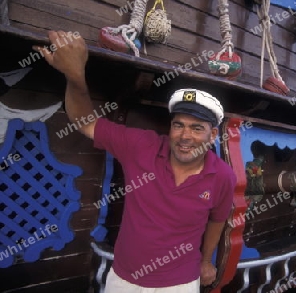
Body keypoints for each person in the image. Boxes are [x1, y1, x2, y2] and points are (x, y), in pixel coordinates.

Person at [34, 31, 237, 293]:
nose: (185, 136)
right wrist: (75, 76)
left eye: (197, 128)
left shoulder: (222, 176)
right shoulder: (142, 147)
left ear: (213, 135)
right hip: (124, 279)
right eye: (179, 125)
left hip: (181, 283)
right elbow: (85, 122)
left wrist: (206, 260)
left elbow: (217, 220)